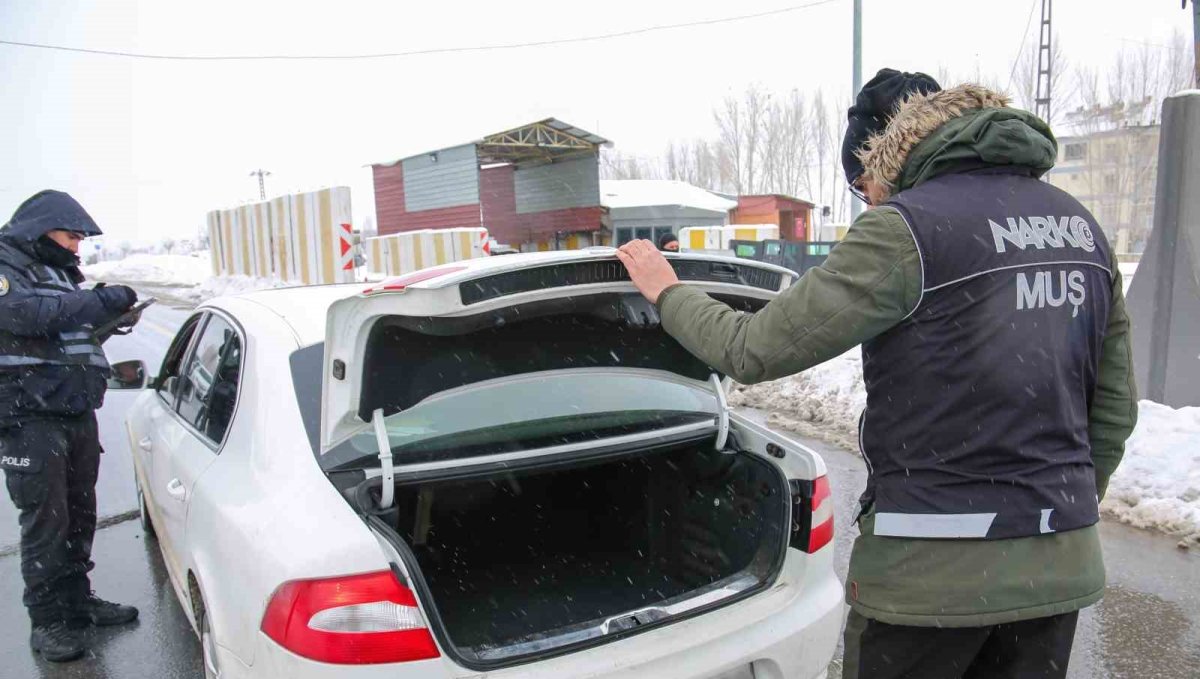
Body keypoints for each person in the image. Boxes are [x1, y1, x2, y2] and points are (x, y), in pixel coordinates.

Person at [617, 69, 1137, 679]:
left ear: (883, 156)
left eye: (862, 186)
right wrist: (1052, 522)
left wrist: (667, 291)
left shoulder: (907, 229)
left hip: (927, 585)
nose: (869, 199)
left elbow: (751, 349)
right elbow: (1114, 411)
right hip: (1060, 573)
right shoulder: (1081, 227)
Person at [0, 190, 142, 663]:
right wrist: (99, 301)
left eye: (81, 239)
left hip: (74, 411)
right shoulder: (6, 266)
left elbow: (64, 332)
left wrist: (108, 319)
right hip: (29, 417)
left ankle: (79, 602)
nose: (77, 248)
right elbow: (25, 316)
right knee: (46, 521)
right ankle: (48, 622)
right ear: (40, 228)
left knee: (81, 513)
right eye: (71, 236)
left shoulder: (59, 273)